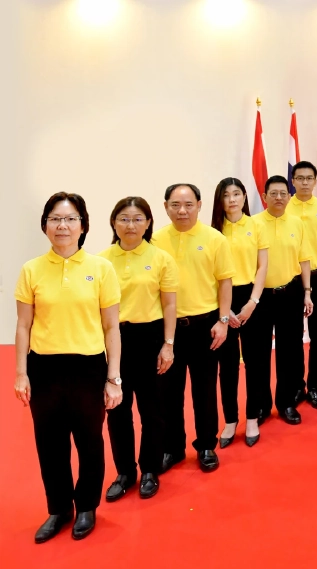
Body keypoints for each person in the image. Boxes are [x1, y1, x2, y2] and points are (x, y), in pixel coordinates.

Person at [14, 192, 122, 543]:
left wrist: (113, 378)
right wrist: (21, 373)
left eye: (70, 218)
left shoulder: (101, 269)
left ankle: (86, 506)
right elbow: (23, 325)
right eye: (55, 219)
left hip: (88, 368)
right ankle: (59, 509)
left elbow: (111, 327)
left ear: (83, 225)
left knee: (89, 440)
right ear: (45, 225)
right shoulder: (32, 269)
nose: (62, 226)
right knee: (50, 444)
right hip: (44, 368)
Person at [153, 183, 235, 474]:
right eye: (175, 205)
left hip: (205, 327)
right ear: (165, 207)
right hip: (168, 330)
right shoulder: (155, 240)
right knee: (168, 392)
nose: (182, 211)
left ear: (199, 205)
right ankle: (173, 448)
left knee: (204, 390)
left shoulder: (214, 239)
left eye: (189, 204)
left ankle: (206, 446)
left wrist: (223, 321)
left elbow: (225, 281)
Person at [100, 197, 177, 502]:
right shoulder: (102, 260)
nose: (130, 225)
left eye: (137, 219)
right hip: (114, 340)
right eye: (124, 219)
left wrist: (168, 344)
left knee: (153, 410)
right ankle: (124, 472)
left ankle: (149, 470)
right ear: (113, 223)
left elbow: (169, 305)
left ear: (148, 223)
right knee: (117, 410)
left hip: (150, 338)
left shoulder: (161, 258)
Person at [251, 176, 314, 427]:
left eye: (283, 193)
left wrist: (307, 292)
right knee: (259, 352)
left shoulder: (297, 223)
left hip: (290, 293)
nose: (278, 198)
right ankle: (261, 405)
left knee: (290, 350)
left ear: (289, 197)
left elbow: (305, 260)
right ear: (264, 197)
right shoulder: (253, 223)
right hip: (260, 297)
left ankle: (286, 402)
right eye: (273, 193)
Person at [210, 178, 268, 446]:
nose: (232, 199)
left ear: (245, 197)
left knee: (256, 362)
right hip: (222, 301)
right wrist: (225, 310)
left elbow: (262, 266)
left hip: (252, 299)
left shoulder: (257, 226)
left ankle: (253, 417)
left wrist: (252, 303)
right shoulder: (213, 231)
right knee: (228, 365)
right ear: (219, 200)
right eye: (226, 195)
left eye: (236, 194)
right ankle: (231, 420)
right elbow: (210, 273)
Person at [287, 161, 317, 410]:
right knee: (293, 335)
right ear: (293, 181)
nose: (305, 182)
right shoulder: (285, 206)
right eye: (300, 178)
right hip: (292, 279)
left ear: (316, 181)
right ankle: (297, 386)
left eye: (309, 178)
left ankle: (314, 385)